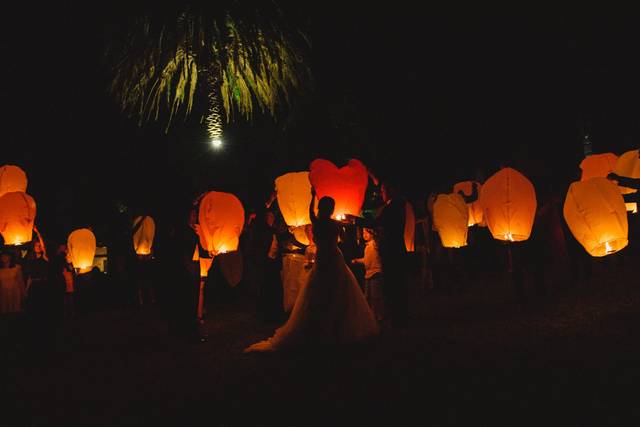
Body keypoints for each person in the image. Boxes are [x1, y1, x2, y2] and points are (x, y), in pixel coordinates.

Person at [243, 188, 379, 353]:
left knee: (319, 290)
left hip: (323, 257)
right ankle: (339, 325)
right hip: (334, 256)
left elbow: (311, 213)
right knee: (338, 288)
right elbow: (342, 239)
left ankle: (318, 325)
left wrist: (313, 194)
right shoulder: (334, 224)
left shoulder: (316, 222)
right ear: (331, 209)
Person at [348, 178, 409, 329]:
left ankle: (397, 318)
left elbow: (377, 222)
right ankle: (397, 316)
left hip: (392, 251)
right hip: (394, 249)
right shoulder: (396, 206)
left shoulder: (394, 206)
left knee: (392, 285)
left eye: (383, 190)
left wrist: (355, 220)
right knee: (395, 284)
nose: (381, 194)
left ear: (390, 190)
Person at [351, 228, 385, 324]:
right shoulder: (367, 246)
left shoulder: (374, 244)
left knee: (375, 296)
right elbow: (366, 260)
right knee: (368, 296)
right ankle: (371, 315)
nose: (364, 234)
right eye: (363, 233)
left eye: (366, 232)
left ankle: (378, 315)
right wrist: (357, 260)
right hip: (368, 274)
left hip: (375, 273)